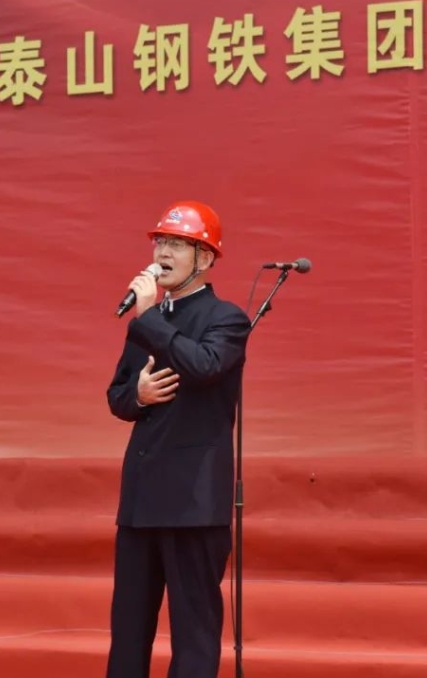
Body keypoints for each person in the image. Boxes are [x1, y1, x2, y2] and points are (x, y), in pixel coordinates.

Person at [105, 200, 251, 678]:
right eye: (160, 243)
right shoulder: (146, 321)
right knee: (128, 629)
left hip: (193, 503)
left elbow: (205, 367)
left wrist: (149, 319)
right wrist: (139, 395)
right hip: (141, 500)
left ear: (204, 258)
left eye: (176, 245)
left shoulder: (226, 319)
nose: (162, 254)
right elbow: (117, 395)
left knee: (193, 632)